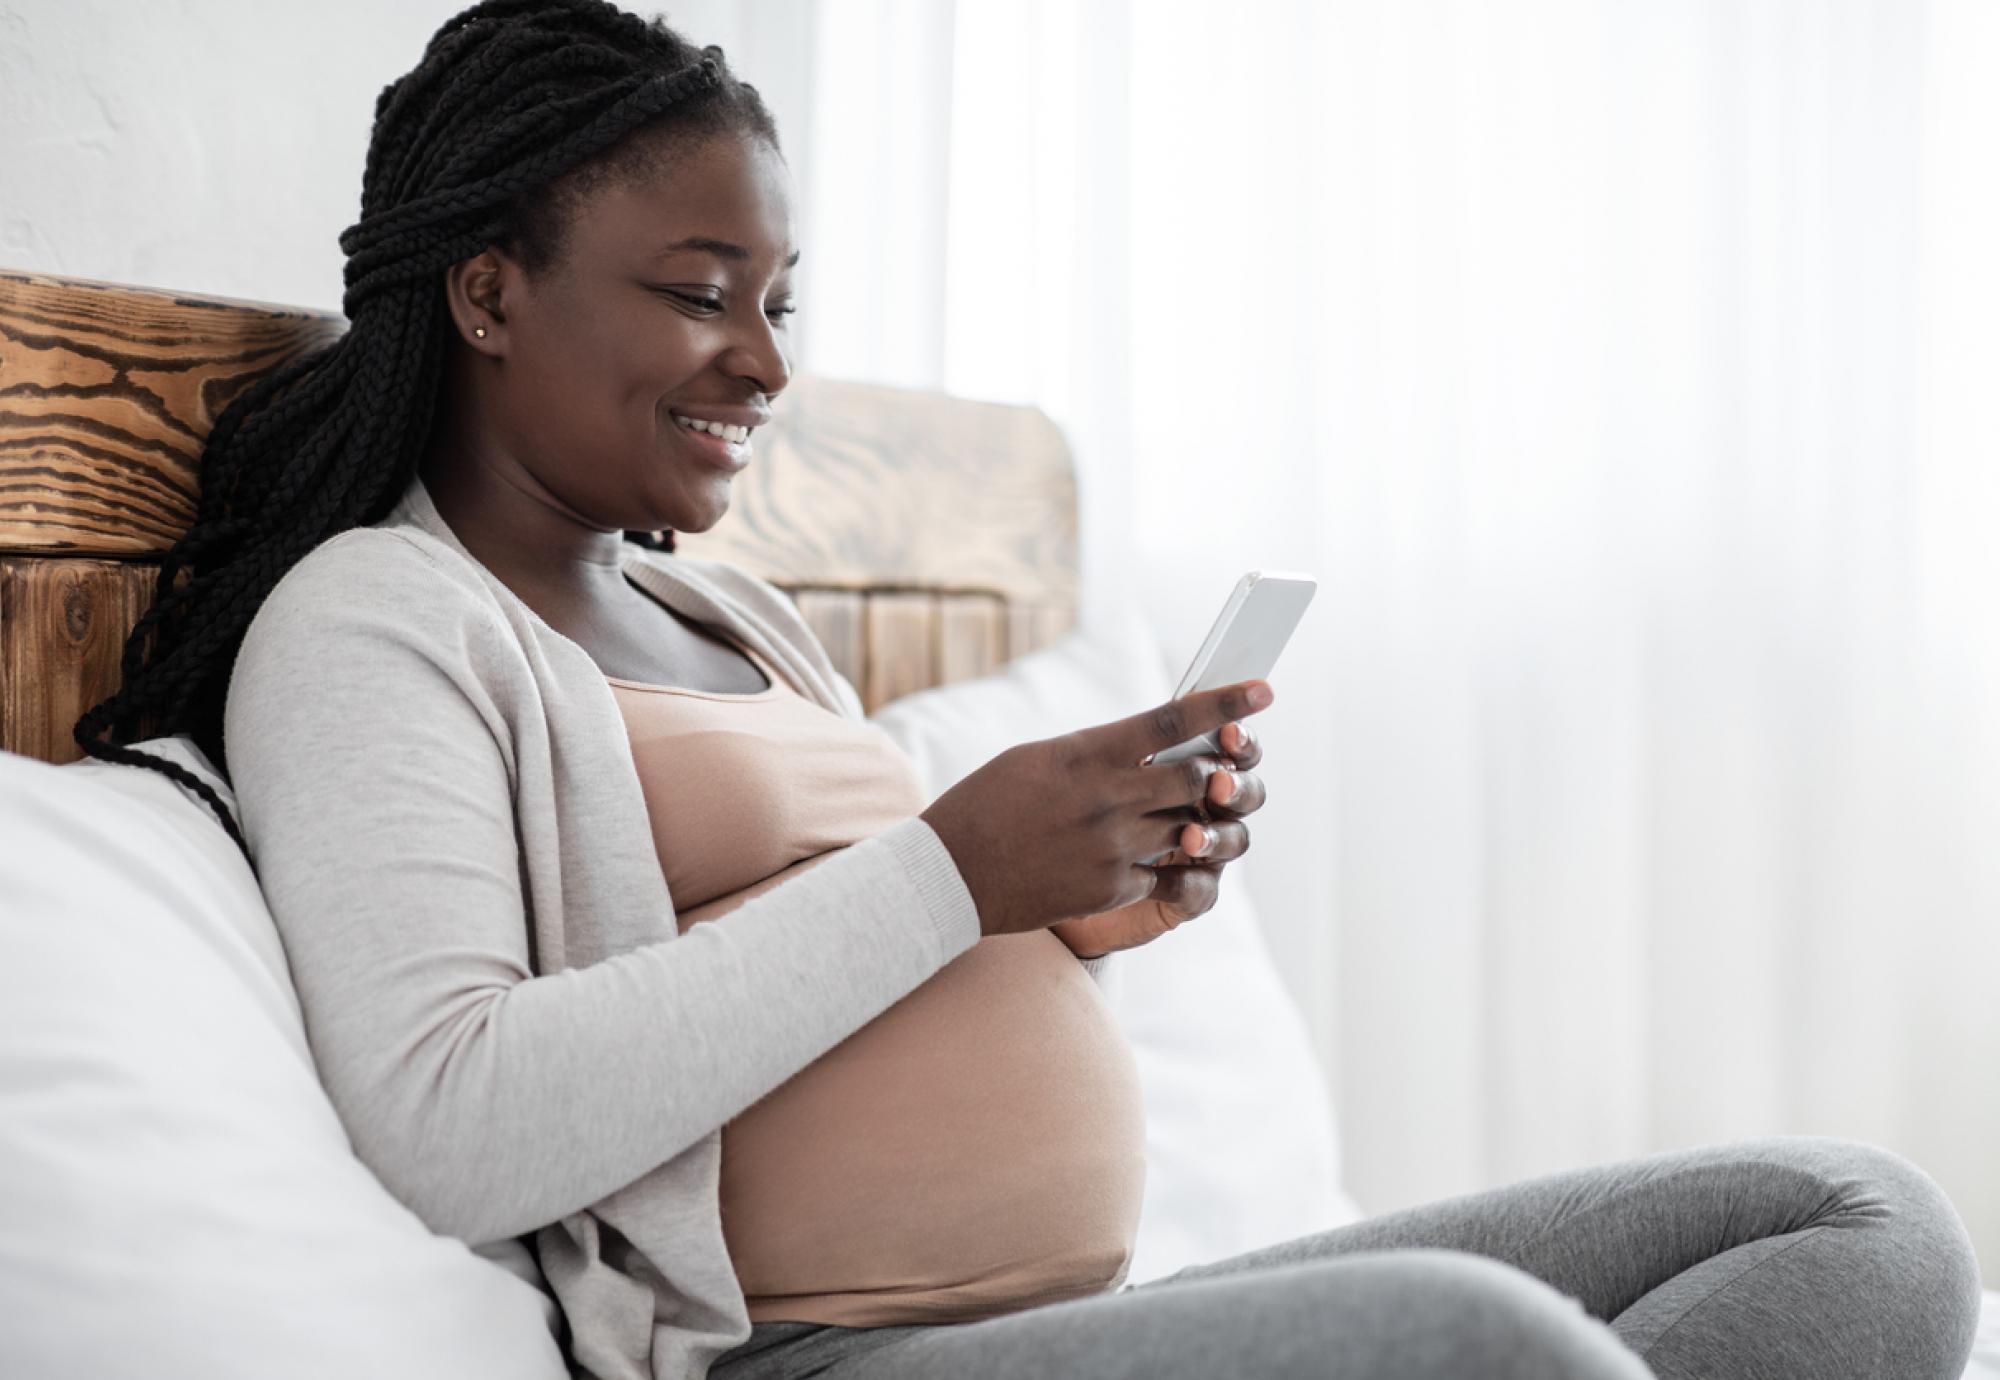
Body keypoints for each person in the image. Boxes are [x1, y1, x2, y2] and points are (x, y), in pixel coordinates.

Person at [73, 2, 1984, 1377]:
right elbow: (452, 1115)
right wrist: (958, 874)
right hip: (813, 1362)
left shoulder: (740, 620)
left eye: (781, 299)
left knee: (1857, 1224)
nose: (761, 361)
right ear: (489, 295)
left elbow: (871, 961)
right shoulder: (377, 624)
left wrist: (1084, 917)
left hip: (1080, 1321)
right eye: (696, 287)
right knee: (1484, 1349)